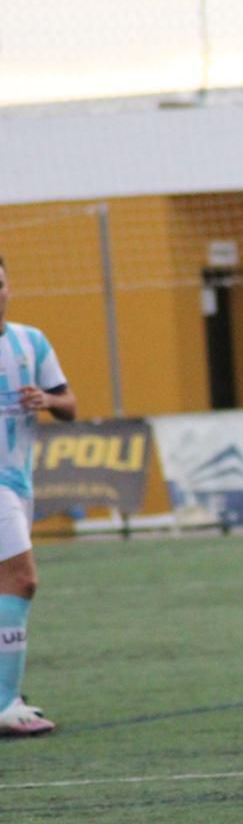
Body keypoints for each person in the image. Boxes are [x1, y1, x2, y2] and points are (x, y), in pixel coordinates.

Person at [0, 256, 76, 739]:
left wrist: (47, 401)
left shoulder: (31, 341)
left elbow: (70, 404)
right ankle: (6, 704)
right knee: (23, 580)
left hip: (18, 482)